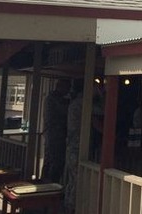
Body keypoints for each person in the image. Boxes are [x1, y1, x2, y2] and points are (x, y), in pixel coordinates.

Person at [40, 78, 70, 183]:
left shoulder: (52, 98)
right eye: (67, 88)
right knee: (55, 162)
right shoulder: (53, 99)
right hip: (54, 135)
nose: (68, 91)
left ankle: (45, 184)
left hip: (52, 134)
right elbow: (65, 109)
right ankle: (50, 185)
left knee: (49, 161)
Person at [63, 79, 83, 214]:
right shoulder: (81, 103)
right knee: (76, 179)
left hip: (71, 145)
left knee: (71, 178)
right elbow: (103, 109)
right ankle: (71, 207)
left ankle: (67, 206)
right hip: (76, 146)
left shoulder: (73, 103)